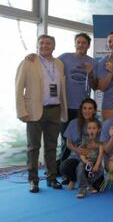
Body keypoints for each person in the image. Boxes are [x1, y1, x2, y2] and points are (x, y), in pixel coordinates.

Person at [15, 34, 68, 193]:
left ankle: (51, 178)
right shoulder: (28, 61)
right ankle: (33, 180)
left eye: (48, 43)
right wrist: (21, 111)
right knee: (33, 147)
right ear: (37, 45)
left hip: (55, 110)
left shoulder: (59, 64)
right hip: (34, 111)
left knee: (51, 147)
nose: (45, 46)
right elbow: (18, 88)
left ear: (54, 46)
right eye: (42, 43)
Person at [57, 33, 99, 172]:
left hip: (83, 109)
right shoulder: (64, 58)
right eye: (78, 42)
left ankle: (81, 169)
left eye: (84, 43)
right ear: (75, 43)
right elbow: (49, 65)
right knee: (65, 140)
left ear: (88, 45)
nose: (81, 45)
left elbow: (95, 86)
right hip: (66, 106)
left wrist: (90, 73)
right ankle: (64, 170)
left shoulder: (93, 63)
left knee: (81, 140)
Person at [60, 98, 102, 191]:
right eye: (84, 108)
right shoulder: (73, 123)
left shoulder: (99, 124)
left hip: (92, 159)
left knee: (99, 187)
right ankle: (73, 179)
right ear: (81, 110)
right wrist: (77, 150)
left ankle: (86, 181)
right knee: (64, 167)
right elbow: (68, 143)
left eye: (90, 108)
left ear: (94, 110)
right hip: (76, 157)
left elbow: (102, 144)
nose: (87, 111)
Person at [76, 119, 104, 198]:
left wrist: (97, 165)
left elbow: (101, 154)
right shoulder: (85, 140)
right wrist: (85, 160)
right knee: (80, 167)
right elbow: (81, 153)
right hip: (86, 161)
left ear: (98, 130)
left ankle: (88, 184)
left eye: (94, 128)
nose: (91, 130)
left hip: (95, 162)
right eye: (89, 128)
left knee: (101, 171)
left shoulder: (100, 140)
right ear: (87, 130)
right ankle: (81, 188)